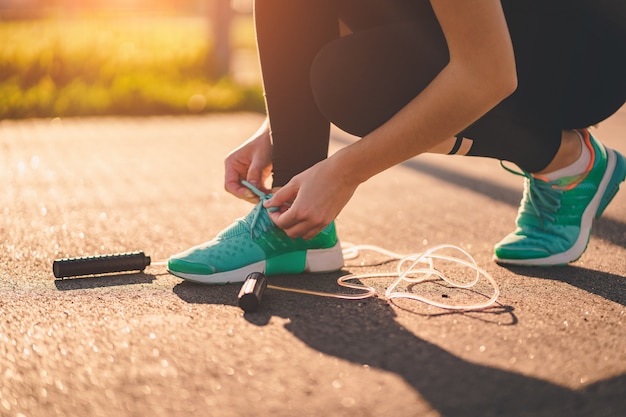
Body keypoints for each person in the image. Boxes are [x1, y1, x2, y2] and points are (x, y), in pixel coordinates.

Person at [168, 0, 626, 284]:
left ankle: (569, 162)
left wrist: (344, 173)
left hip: (587, 48)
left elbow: (486, 73)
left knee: (352, 87)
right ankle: (296, 229)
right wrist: (282, 134)